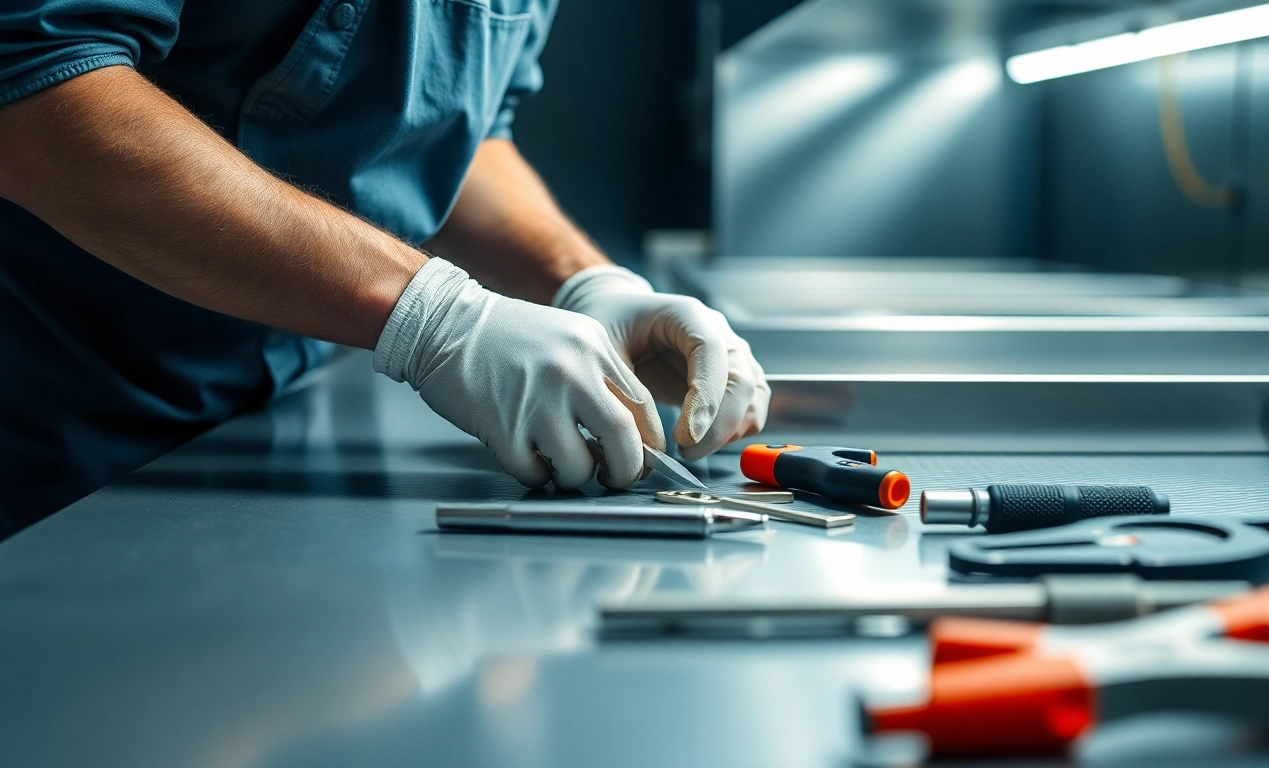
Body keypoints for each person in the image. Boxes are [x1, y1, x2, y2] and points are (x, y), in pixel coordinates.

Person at [0, 0, 771, 537]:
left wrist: (584, 284)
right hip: (47, 447)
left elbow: (453, 133)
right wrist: (435, 316)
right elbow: (39, 92)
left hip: (255, 449)